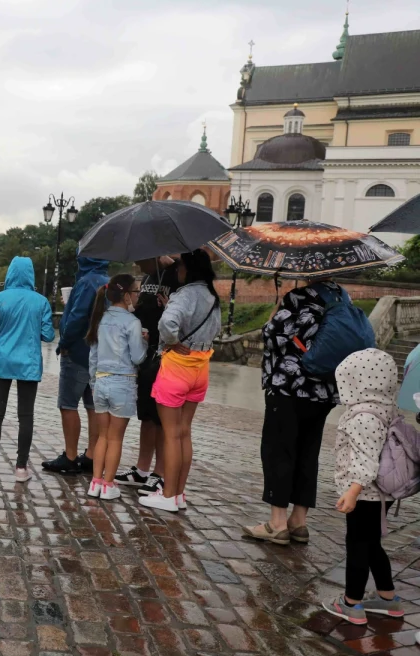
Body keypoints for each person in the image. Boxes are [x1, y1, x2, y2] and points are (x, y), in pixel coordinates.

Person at [242, 275, 343, 543]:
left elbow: (271, 336)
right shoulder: (342, 298)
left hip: (289, 388)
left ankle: (277, 523)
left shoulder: (299, 297)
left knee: (279, 450)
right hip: (324, 390)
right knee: (308, 452)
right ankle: (299, 521)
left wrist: (275, 312)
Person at [323, 348, 405, 624]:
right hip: (382, 492)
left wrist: (352, 492)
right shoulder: (386, 408)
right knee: (371, 544)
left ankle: (351, 603)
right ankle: (387, 598)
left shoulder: (362, 417)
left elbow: (366, 460)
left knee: (357, 545)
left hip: (365, 493)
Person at [139, 249, 221, 513]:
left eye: (181, 266)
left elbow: (167, 324)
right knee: (184, 433)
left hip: (177, 368)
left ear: (190, 268)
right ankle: (178, 494)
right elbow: (215, 329)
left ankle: (167, 495)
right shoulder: (212, 295)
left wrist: (172, 341)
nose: (178, 270)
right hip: (200, 368)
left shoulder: (184, 294)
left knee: (171, 435)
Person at [0, 256, 55, 481]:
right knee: (26, 415)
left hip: (2, 360)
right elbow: (48, 335)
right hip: (29, 363)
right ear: (31, 275)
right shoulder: (41, 302)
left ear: (10, 273)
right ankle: (21, 468)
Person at [116, 256, 178, 493]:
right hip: (146, 352)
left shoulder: (175, 276)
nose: (138, 264)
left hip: (165, 352)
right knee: (146, 415)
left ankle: (159, 472)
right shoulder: (148, 278)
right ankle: (142, 469)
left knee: (161, 416)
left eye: (142, 260)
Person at [44, 255, 110, 473]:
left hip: (78, 351)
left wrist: (64, 343)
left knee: (68, 404)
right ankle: (91, 455)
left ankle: (70, 457)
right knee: (92, 406)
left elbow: (77, 317)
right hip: (98, 354)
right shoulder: (107, 281)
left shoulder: (86, 282)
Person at [86, 274, 146, 500]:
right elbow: (138, 357)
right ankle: (108, 484)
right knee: (115, 438)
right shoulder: (132, 322)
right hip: (123, 383)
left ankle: (95, 482)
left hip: (101, 382)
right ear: (127, 295)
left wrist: (93, 383)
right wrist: (145, 341)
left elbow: (93, 356)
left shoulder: (100, 319)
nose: (138, 296)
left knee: (102, 436)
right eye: (136, 292)